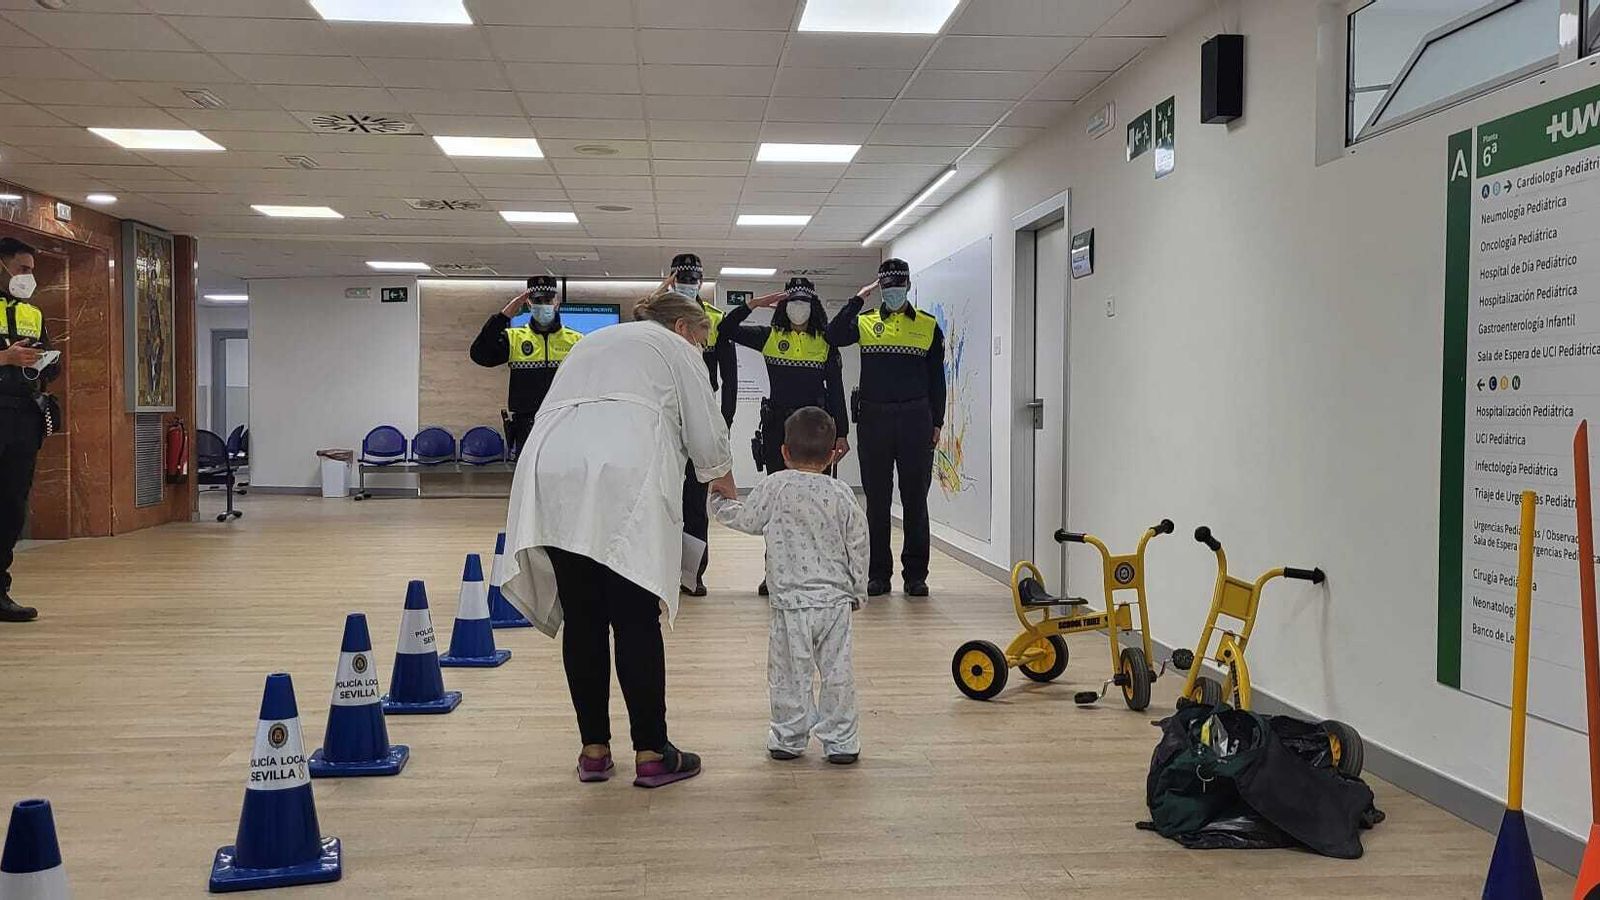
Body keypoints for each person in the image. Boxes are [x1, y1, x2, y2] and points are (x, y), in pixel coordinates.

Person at [500, 289, 733, 789]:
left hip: (551, 470)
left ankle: (594, 751)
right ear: (684, 329)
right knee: (634, 618)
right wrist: (725, 484)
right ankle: (652, 752)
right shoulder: (676, 347)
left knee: (584, 618)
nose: (702, 349)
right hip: (622, 471)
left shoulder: (594, 341)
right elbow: (707, 430)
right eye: (703, 340)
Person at [709, 407, 867, 764]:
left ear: (783, 452)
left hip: (790, 603)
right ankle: (842, 741)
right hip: (834, 603)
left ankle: (788, 737)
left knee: (788, 674)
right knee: (838, 672)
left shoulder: (775, 486)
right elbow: (858, 544)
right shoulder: (841, 494)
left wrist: (718, 503)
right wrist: (857, 590)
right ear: (832, 455)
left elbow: (747, 519)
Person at [721, 276, 850, 595]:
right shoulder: (769, 337)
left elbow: (836, 391)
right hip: (779, 428)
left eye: (804, 303)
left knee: (817, 504)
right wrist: (751, 305)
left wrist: (842, 434)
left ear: (813, 307)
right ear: (783, 306)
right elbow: (726, 330)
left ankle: (813, 572)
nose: (798, 309)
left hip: (818, 430)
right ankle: (774, 572)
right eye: (792, 302)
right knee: (779, 503)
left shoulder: (826, 343)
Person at [825, 258, 945, 599]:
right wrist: (857, 300)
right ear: (881, 288)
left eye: (898, 287)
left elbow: (938, 380)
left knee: (914, 501)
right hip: (874, 418)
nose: (893, 293)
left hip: (915, 419)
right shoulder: (865, 322)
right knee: (876, 503)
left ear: (908, 286)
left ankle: (916, 575)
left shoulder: (927, 326)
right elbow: (833, 335)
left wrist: (937, 421)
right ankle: (878, 574)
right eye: (887, 288)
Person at [661, 253, 735, 597]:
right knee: (659, 500)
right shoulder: (658, 318)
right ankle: (657, 571)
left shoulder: (715, 319)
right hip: (661, 419)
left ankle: (692, 574)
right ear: (672, 280)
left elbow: (729, 376)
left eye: (694, 280)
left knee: (694, 503)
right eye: (682, 279)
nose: (688, 285)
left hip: (697, 416)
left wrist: (725, 421)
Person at [0, 237, 58, 623]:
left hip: (21, 415)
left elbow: (50, 367)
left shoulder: (32, 313)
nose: (28, 277)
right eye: (22, 269)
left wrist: (44, 363)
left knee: (10, 506)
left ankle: (0, 592)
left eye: (31, 271)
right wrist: (4, 356)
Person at [469, 275, 585, 454]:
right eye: (537, 300)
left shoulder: (576, 340)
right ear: (529, 304)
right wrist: (503, 316)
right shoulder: (514, 337)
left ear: (557, 302)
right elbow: (479, 354)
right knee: (527, 481)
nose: (543, 305)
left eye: (548, 300)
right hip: (526, 426)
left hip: (565, 422)